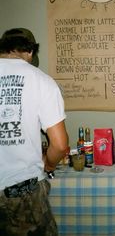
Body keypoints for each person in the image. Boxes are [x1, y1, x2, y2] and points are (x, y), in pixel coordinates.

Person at [0, 28, 69, 235]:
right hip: (21, 194)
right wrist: (48, 163)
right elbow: (59, 144)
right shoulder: (41, 81)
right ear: (30, 52)